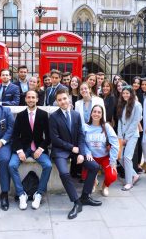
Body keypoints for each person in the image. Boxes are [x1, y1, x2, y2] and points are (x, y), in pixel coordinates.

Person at [49, 89, 102, 219]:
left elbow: (81, 135)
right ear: (57, 102)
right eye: (60, 100)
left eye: (64, 99)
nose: (62, 102)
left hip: (77, 150)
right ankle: (76, 202)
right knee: (64, 173)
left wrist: (81, 153)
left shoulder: (76, 115)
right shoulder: (53, 117)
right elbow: (54, 139)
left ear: (69, 99)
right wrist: (72, 148)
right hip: (61, 150)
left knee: (94, 167)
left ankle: (85, 196)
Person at [9, 90, 52, 210]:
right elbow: (15, 136)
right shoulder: (21, 115)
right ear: (26, 99)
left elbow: (49, 137)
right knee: (12, 165)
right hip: (23, 147)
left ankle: (38, 193)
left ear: (37, 99)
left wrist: (41, 148)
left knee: (48, 166)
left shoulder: (43, 114)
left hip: (38, 148)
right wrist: (19, 151)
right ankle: (21, 194)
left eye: (33, 97)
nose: (31, 99)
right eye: (29, 97)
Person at [84, 105, 119, 196]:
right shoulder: (86, 127)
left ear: (102, 115)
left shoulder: (106, 126)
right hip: (91, 157)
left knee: (112, 175)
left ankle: (105, 186)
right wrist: (87, 152)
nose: (96, 114)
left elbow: (115, 143)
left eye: (99, 112)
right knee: (84, 175)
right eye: (94, 111)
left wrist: (113, 161)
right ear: (91, 113)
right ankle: (94, 182)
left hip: (104, 157)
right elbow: (81, 142)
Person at [117, 85, 142, 191]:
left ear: (132, 94)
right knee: (120, 157)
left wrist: (126, 137)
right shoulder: (122, 104)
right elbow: (119, 121)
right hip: (122, 136)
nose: (125, 95)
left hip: (132, 135)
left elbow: (135, 122)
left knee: (127, 157)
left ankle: (129, 182)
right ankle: (134, 175)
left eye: (127, 93)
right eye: (123, 93)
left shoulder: (137, 105)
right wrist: (119, 136)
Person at [132, 76, 144, 174]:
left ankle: (138, 163)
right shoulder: (129, 92)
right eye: (134, 82)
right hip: (132, 122)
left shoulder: (141, 94)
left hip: (140, 122)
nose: (136, 84)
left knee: (139, 144)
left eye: (138, 83)